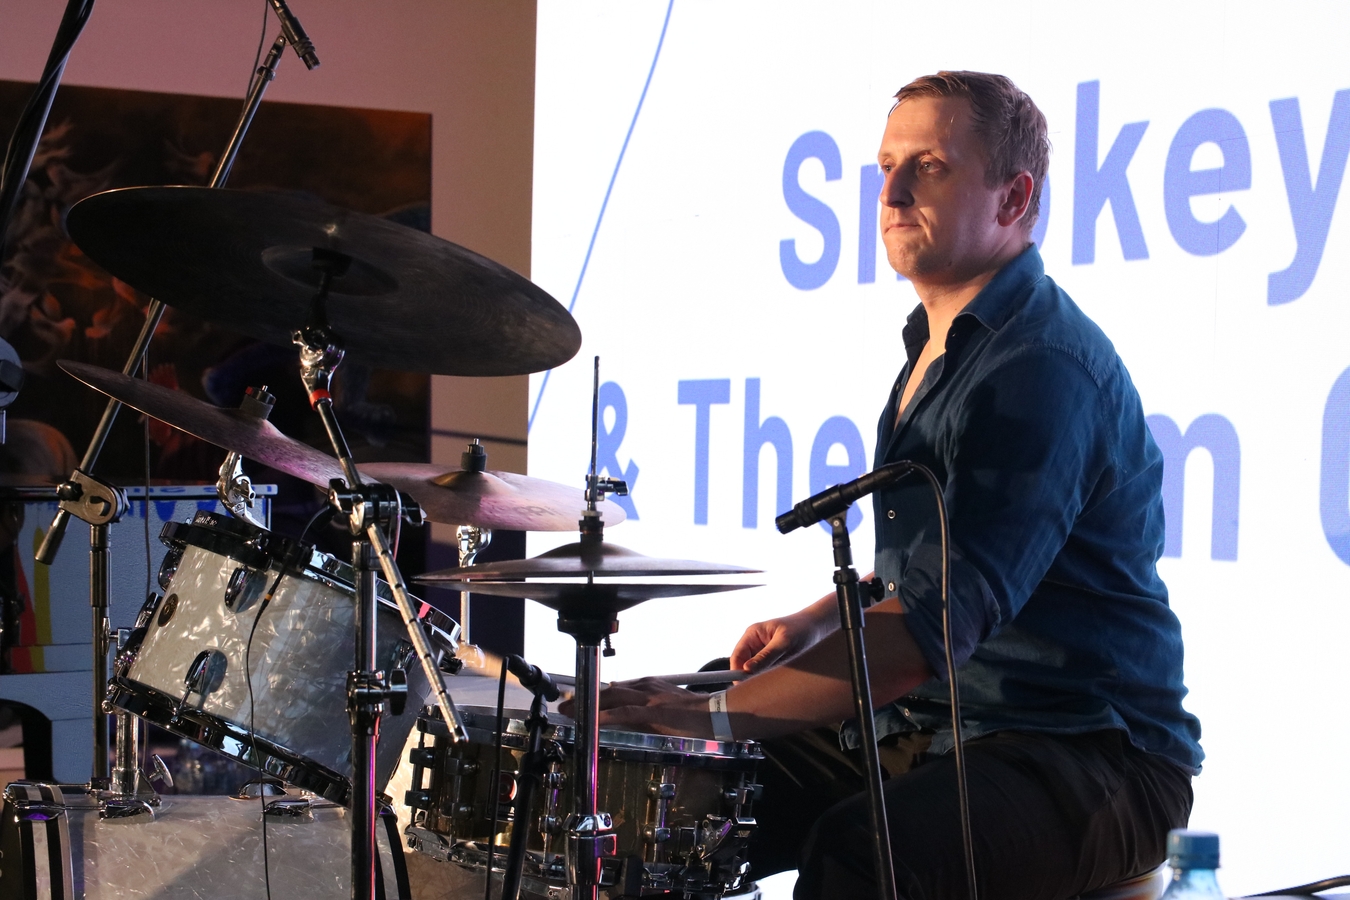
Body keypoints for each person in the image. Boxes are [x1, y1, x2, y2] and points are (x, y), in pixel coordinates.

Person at [594, 71, 1202, 900]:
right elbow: (930, 567)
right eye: (886, 165)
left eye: (930, 166)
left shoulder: (1039, 367)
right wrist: (815, 624)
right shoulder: (938, 343)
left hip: (1089, 752)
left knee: (861, 852)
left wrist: (714, 713)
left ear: (1014, 197)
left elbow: (933, 624)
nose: (890, 192)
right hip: (939, 723)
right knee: (676, 780)